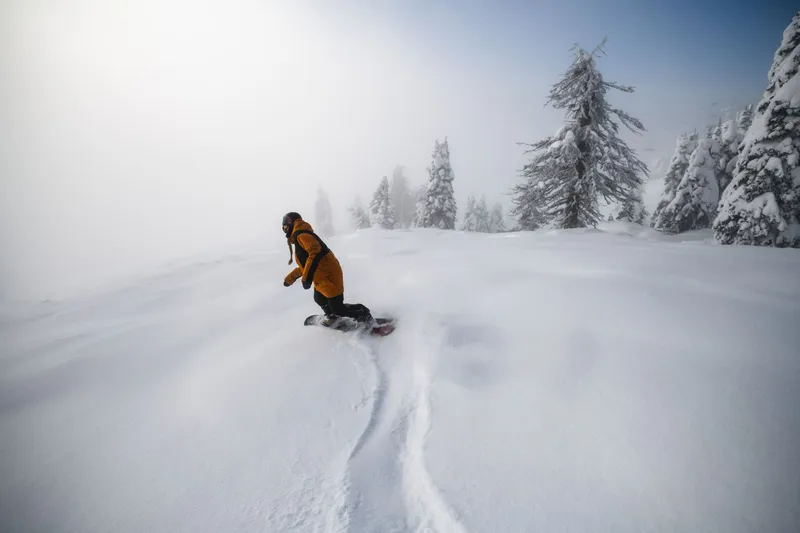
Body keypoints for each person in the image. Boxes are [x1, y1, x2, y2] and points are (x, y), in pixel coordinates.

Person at [281, 212, 373, 325]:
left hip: (329, 275)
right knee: (319, 299)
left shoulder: (302, 236)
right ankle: (333, 317)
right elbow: (304, 266)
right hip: (320, 277)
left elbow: (315, 252)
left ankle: (364, 314)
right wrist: (290, 278)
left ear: (290, 224)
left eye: (285, 227)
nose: (285, 230)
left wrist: (307, 278)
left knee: (338, 308)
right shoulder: (300, 238)